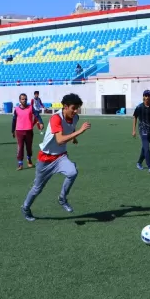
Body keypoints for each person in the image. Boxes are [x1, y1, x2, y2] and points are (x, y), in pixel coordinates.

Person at [21, 93, 91, 222]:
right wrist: (80, 132)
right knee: (37, 188)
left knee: (72, 172)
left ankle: (62, 198)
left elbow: (70, 129)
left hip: (60, 157)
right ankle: (25, 208)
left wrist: (74, 138)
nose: (75, 111)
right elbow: (59, 140)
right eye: (73, 108)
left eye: (77, 108)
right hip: (45, 159)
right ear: (65, 106)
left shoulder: (75, 117)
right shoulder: (56, 118)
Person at [12, 93, 44, 170]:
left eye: (25, 99)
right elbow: (14, 120)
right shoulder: (16, 109)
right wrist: (12, 130)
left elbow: (37, 115)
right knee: (20, 147)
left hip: (29, 130)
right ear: (20, 100)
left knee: (29, 147)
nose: (24, 100)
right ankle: (20, 163)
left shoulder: (30, 107)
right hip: (19, 131)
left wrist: (41, 122)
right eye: (22, 99)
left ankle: (29, 159)